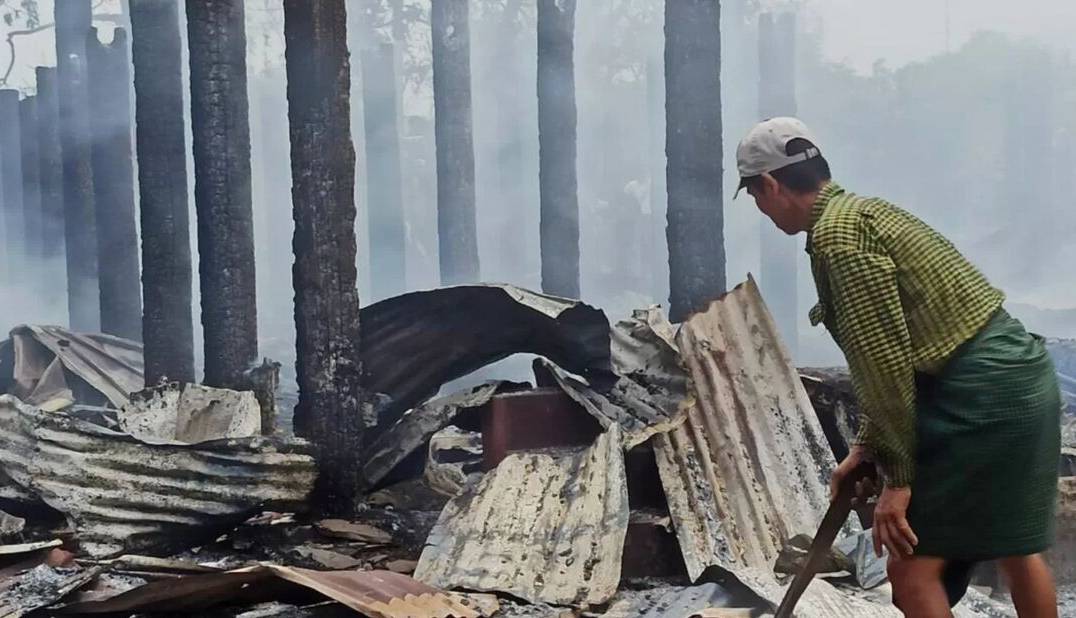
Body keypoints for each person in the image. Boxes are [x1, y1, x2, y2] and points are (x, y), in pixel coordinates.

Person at [735, 117, 1061, 618]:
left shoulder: (837, 239)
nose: (760, 208)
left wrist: (898, 482)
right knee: (1017, 550)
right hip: (1024, 381)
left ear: (771, 184)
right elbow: (896, 355)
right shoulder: (866, 212)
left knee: (910, 570)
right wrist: (865, 448)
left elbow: (884, 366)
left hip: (978, 396)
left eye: (755, 195)